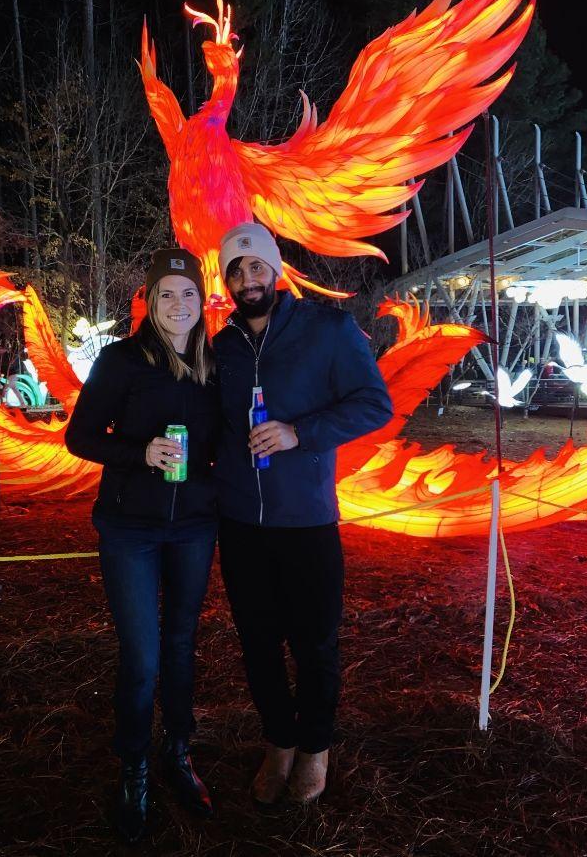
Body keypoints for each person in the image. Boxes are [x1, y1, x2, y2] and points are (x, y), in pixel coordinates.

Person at [213, 222, 394, 806]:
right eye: (235, 272)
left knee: (314, 643)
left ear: (276, 269)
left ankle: (316, 747)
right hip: (240, 523)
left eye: (255, 267)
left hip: (307, 522)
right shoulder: (224, 347)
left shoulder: (328, 329)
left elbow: (374, 404)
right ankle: (279, 742)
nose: (247, 280)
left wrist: (301, 433)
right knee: (258, 641)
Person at [65, 249, 218, 843]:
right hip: (130, 529)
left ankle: (177, 754)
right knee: (143, 654)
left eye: (188, 295)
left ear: (203, 304)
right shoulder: (121, 360)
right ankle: (133, 766)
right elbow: (80, 436)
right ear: (150, 303)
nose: (179, 306)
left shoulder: (214, 364)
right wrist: (141, 453)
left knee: (181, 646)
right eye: (166, 295)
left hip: (195, 527)